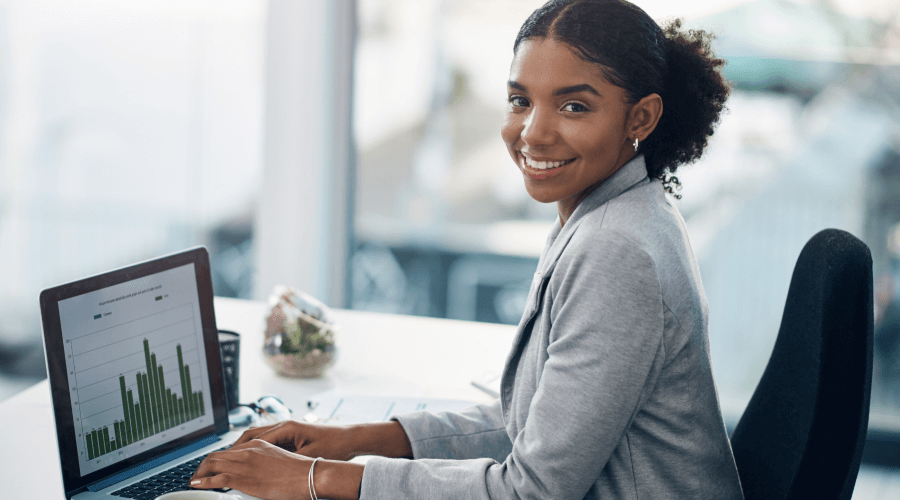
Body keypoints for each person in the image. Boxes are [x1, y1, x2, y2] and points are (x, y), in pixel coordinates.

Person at [190, 0, 741, 498]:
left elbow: (531, 491)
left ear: (640, 117)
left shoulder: (616, 252)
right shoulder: (614, 212)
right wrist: (344, 440)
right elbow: (532, 424)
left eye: (573, 107)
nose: (533, 133)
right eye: (520, 100)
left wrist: (316, 480)